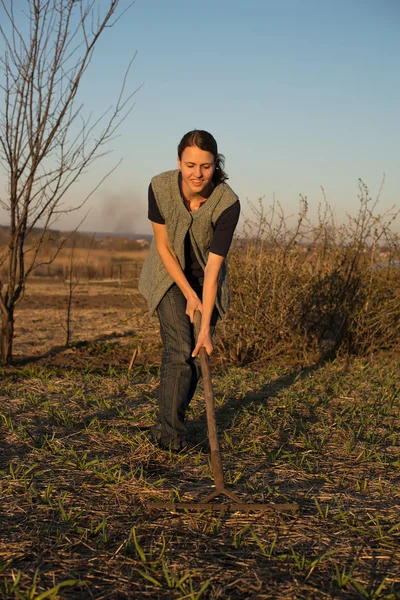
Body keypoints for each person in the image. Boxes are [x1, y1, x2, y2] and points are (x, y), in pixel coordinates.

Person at [138, 130, 240, 451]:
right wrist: (187, 293)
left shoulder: (228, 204)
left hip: (204, 281)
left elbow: (212, 270)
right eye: (190, 164)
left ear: (215, 165)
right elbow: (163, 247)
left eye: (206, 166)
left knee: (196, 354)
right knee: (179, 347)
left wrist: (206, 324)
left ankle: (173, 420)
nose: (197, 174)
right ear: (179, 162)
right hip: (167, 275)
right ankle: (168, 437)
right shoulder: (160, 187)